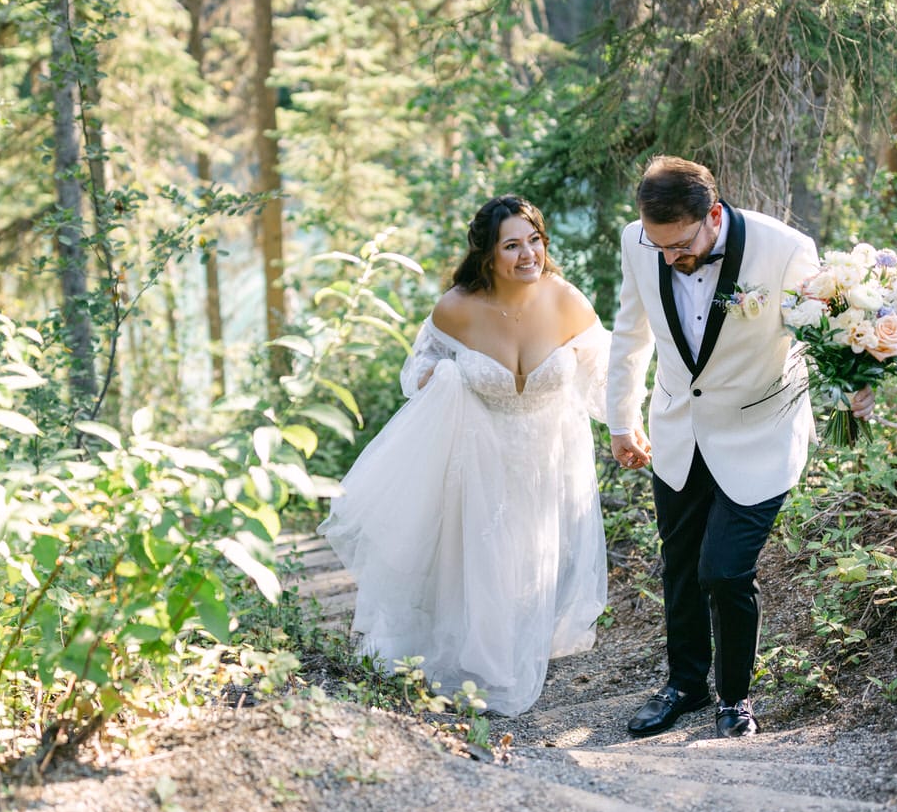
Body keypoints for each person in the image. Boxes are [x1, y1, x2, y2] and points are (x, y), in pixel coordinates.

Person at [320, 195, 612, 716]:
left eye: (535, 240)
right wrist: (444, 378)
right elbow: (418, 369)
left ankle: (509, 658)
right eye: (512, 245)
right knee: (484, 561)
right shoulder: (455, 308)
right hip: (478, 457)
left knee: (531, 563)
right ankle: (490, 677)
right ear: (487, 255)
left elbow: (607, 372)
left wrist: (628, 429)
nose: (529, 255)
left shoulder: (566, 300)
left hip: (545, 459)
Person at [606, 155, 825, 739]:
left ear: (714, 215)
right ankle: (685, 684)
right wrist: (621, 419)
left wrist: (858, 383)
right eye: (659, 247)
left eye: (679, 245)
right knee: (678, 565)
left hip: (760, 431)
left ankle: (736, 698)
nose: (670, 258)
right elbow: (630, 332)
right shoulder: (638, 243)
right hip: (679, 428)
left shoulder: (785, 249)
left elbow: (821, 333)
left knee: (724, 572)